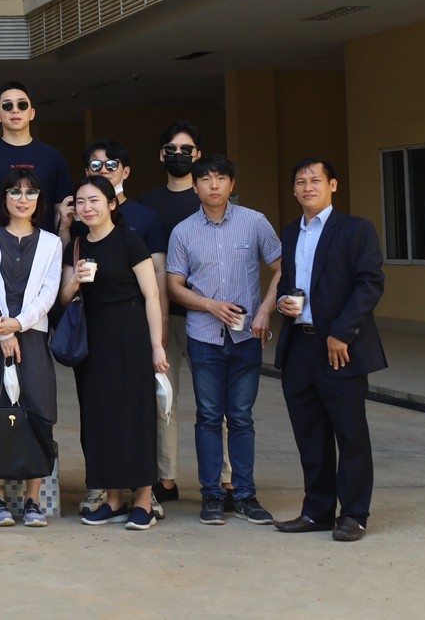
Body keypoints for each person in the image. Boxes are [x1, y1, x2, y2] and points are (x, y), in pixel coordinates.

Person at [267, 159, 386, 543]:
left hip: (340, 347)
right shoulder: (291, 232)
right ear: (294, 190)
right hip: (299, 346)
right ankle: (317, 511)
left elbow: (369, 283)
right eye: (300, 181)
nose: (308, 187)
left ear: (333, 185)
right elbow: (288, 281)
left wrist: (341, 332)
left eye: (315, 180)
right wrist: (283, 301)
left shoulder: (355, 230)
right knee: (310, 434)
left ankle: (353, 515)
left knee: (350, 434)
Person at [165, 155, 280, 527]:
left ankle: (245, 496)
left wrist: (265, 310)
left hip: (246, 336)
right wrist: (210, 305)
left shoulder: (254, 222)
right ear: (195, 186)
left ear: (232, 184)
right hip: (203, 337)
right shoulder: (183, 231)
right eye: (205, 179)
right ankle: (212, 496)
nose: (213, 185)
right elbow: (174, 286)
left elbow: (282, 267)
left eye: (220, 178)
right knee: (209, 417)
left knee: (242, 417)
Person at [60, 176, 168, 531]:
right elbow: (63, 299)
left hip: (130, 335)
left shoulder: (129, 241)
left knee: (135, 416)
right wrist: (74, 280)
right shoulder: (76, 246)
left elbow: (152, 295)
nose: (86, 207)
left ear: (111, 204)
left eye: (94, 200)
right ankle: (114, 499)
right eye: (80, 201)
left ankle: (143, 501)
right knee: (99, 418)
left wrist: (156, 345)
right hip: (93, 341)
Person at [0, 169, 60, 528]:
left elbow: (49, 292)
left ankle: (33, 500)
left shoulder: (52, 243)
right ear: (3, 197)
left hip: (32, 336)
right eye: (15, 192)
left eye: (30, 193)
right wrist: (2, 330)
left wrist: (19, 325)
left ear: (39, 199)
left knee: (38, 410)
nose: (23, 199)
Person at [138, 121, 208, 506]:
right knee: (163, 399)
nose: (178, 155)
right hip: (161, 315)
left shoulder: (209, 199)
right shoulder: (147, 203)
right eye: (171, 149)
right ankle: (166, 478)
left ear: (197, 155)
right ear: (160, 155)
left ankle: (224, 481)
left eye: (186, 149)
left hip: (206, 316)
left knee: (214, 403)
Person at [0, 82, 71, 225]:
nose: (15, 110)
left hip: (45, 238)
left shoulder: (53, 157)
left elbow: (61, 207)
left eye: (22, 105)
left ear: (32, 113)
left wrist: (61, 234)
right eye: (7, 106)